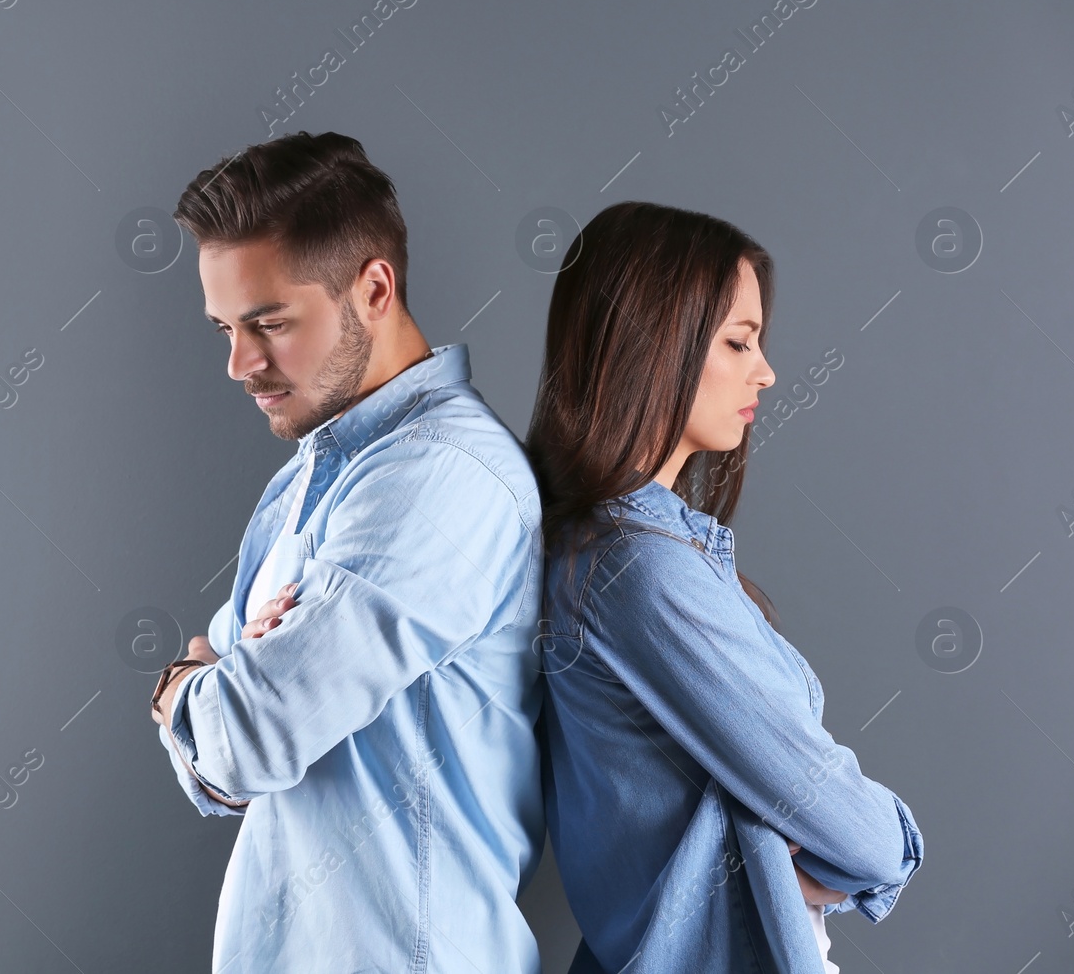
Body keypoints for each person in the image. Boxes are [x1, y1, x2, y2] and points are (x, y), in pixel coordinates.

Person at [150, 130, 547, 972]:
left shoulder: (443, 477)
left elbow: (247, 737)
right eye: (224, 327)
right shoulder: (318, 472)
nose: (237, 363)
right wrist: (220, 697)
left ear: (373, 288)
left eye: (268, 323)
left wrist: (187, 687)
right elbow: (217, 772)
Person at [524, 200, 923, 972]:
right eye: (740, 341)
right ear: (652, 345)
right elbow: (859, 833)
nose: (766, 371)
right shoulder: (638, 569)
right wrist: (888, 848)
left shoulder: (612, 550)